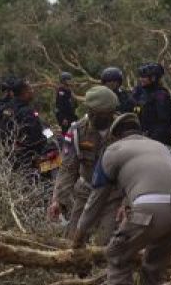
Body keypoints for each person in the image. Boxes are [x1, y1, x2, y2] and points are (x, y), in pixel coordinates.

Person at [70, 113, 171, 285]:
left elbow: (95, 201)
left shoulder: (113, 152)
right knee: (154, 267)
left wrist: (78, 237)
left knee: (117, 254)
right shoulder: (162, 148)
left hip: (150, 208)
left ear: (115, 136)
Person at [48, 85, 122, 243]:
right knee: (73, 239)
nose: (95, 117)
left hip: (113, 194)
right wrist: (58, 200)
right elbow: (68, 168)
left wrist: (128, 202)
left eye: (102, 114)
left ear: (111, 112)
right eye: (92, 112)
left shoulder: (123, 130)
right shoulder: (76, 131)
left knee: (105, 241)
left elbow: (134, 170)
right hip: (86, 191)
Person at [132, 62, 171, 146]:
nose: (141, 79)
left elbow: (164, 123)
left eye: (144, 77)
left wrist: (151, 139)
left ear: (153, 78)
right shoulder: (139, 92)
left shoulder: (161, 95)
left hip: (155, 141)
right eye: (140, 76)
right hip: (139, 137)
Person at [11, 80, 49, 176]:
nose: (32, 91)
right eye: (30, 89)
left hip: (13, 156)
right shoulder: (27, 112)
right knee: (58, 161)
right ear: (24, 92)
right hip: (31, 159)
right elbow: (36, 137)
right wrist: (49, 137)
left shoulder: (8, 107)